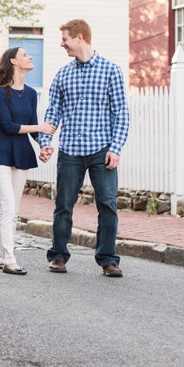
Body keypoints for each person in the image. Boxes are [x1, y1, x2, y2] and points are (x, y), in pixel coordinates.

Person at [39, 19, 129, 277]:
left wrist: (116, 148)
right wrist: (45, 142)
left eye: (65, 39)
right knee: (63, 205)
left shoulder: (111, 70)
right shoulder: (63, 74)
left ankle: (108, 259)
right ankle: (58, 256)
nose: (62, 44)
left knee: (108, 205)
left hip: (102, 150)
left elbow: (121, 112)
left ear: (79, 37)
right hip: (70, 151)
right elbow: (52, 113)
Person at [0, 47, 55, 275]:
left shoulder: (32, 94)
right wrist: (42, 127)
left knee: (14, 209)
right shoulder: (0, 92)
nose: (30, 57)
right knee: (8, 208)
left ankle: (3, 257)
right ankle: (11, 260)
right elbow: (9, 126)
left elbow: (31, 126)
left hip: (22, 154)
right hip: (0, 152)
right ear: (13, 61)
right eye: (24, 55)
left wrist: (42, 145)